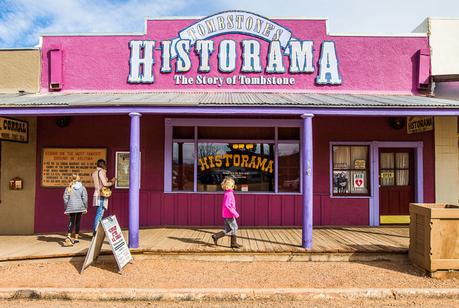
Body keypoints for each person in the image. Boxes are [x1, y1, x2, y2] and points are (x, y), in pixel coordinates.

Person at [211, 176, 242, 248]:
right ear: (229, 186)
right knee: (235, 227)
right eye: (232, 185)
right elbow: (228, 205)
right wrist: (235, 213)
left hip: (226, 214)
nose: (233, 186)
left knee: (228, 229)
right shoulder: (229, 194)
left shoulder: (227, 193)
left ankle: (216, 236)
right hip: (229, 215)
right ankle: (233, 243)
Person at [91, 159, 116, 235]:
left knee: (99, 212)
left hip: (97, 193)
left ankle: (95, 230)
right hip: (101, 194)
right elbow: (105, 183)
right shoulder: (101, 172)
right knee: (100, 213)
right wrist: (112, 182)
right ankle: (95, 231)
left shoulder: (94, 173)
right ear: (103, 164)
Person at [63, 174, 88, 247]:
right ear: (79, 179)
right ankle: (76, 238)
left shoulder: (69, 187)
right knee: (78, 221)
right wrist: (85, 206)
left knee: (71, 221)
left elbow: (65, 198)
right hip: (80, 206)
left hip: (71, 207)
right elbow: (85, 198)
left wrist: (66, 207)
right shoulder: (82, 187)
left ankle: (69, 236)